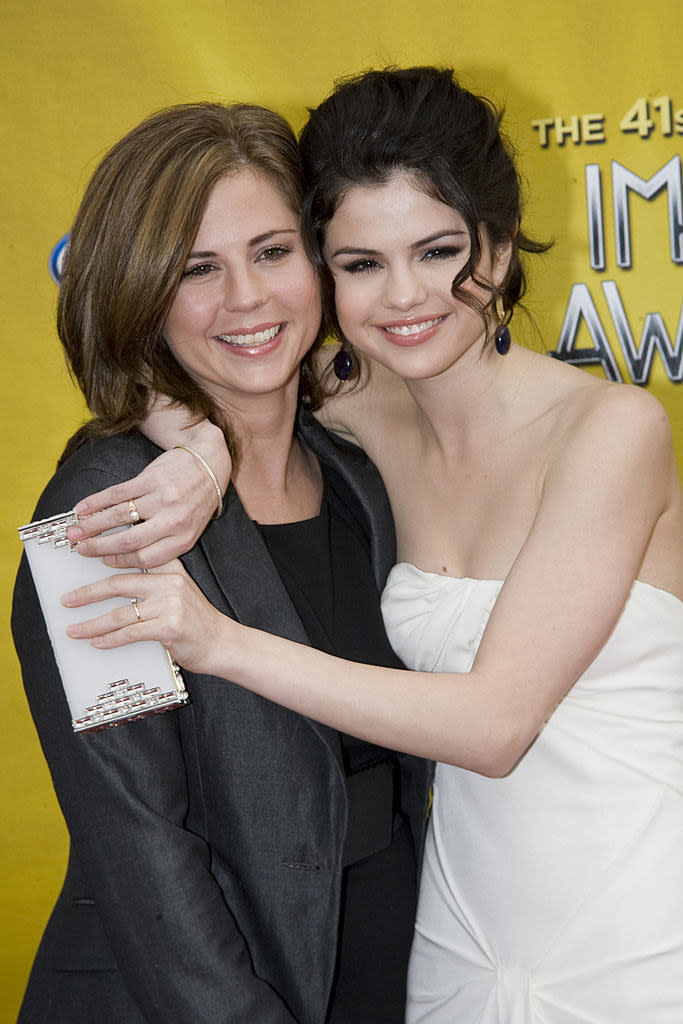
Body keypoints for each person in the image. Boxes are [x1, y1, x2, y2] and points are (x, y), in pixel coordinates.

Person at [63, 69, 682, 1022]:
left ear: (501, 244)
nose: (404, 296)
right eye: (358, 264)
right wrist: (193, 447)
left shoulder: (584, 433)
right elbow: (129, 830)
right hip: (386, 949)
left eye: (437, 251)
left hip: (616, 921)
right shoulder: (125, 506)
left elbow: (489, 727)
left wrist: (221, 634)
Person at [12, 99, 432, 1024]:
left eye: (272, 252)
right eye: (198, 269)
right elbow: (137, 838)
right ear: (139, 292)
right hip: (197, 989)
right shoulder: (96, 512)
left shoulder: (358, 476)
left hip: (386, 959)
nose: (247, 299)